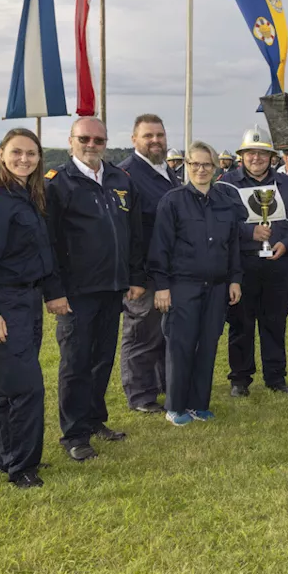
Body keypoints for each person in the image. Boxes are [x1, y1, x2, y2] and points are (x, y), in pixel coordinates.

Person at [0, 128, 69, 490]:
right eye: (17, 152)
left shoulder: (29, 196)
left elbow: (42, 252)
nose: (25, 159)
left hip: (28, 300)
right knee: (27, 387)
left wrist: (52, 293)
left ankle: (6, 454)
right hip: (5, 303)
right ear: (1, 154)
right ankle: (22, 466)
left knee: (5, 386)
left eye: (32, 153)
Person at [47, 116, 145, 462]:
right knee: (76, 361)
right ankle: (73, 433)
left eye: (98, 140)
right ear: (70, 141)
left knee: (102, 359)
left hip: (113, 287)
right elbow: (50, 242)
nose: (91, 146)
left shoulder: (120, 179)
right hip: (76, 292)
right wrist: (54, 290)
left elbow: (134, 234)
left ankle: (93, 419)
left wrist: (135, 276)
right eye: (84, 139)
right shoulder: (57, 183)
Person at [150, 142, 244, 425]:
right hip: (183, 286)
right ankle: (176, 406)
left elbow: (233, 246)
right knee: (180, 345)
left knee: (207, 345)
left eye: (206, 165)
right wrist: (162, 286)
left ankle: (199, 404)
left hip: (216, 287)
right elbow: (160, 247)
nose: (200, 170)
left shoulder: (226, 201)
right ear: (186, 167)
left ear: (216, 168)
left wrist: (235, 280)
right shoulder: (173, 200)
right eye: (194, 164)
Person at [218, 126, 288, 395]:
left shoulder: (286, 184)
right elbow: (219, 223)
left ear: (271, 156)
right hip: (242, 267)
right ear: (241, 156)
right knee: (240, 324)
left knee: (274, 323)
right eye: (250, 153)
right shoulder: (225, 185)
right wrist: (250, 231)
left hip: (278, 265)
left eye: (262, 153)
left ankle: (276, 377)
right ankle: (240, 379)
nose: (256, 158)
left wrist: (287, 242)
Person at [117, 114, 180, 414]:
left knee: (163, 331)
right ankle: (140, 394)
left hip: (168, 268)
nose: (155, 140)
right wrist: (135, 275)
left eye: (160, 134)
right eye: (148, 136)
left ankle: (165, 384)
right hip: (145, 272)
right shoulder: (126, 175)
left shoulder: (168, 171)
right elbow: (125, 230)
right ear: (134, 140)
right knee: (142, 333)